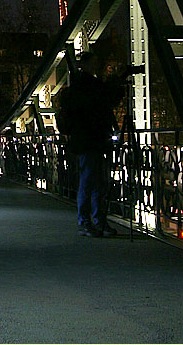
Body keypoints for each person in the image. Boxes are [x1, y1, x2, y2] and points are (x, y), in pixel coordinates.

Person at [57, 51, 125, 237]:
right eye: (94, 62)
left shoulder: (79, 84)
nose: (97, 65)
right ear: (86, 64)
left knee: (94, 181)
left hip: (88, 139)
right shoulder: (87, 86)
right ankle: (89, 222)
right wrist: (117, 83)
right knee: (91, 182)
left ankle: (94, 221)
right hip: (90, 139)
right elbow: (103, 102)